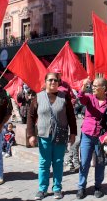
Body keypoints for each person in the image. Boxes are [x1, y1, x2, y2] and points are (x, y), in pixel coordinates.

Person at [27, 72, 77, 200]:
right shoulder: (37, 97)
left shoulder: (64, 97)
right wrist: (31, 135)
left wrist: (73, 133)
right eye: (50, 80)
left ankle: (57, 188)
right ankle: (42, 189)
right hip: (44, 135)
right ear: (45, 82)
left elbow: (71, 116)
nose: (53, 82)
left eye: (55, 80)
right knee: (44, 163)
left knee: (58, 162)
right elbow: (31, 117)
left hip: (60, 135)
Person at [76, 78, 107, 199]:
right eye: (93, 85)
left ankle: (98, 186)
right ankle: (81, 187)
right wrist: (83, 86)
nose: (93, 87)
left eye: (96, 86)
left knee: (100, 162)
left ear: (104, 88)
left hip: (101, 137)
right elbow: (81, 99)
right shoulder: (90, 98)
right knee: (85, 162)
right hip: (87, 134)